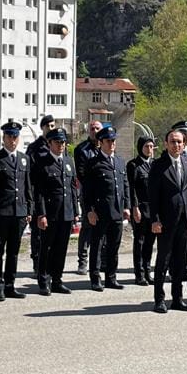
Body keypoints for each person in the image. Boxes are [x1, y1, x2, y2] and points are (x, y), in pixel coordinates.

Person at [148, 127, 187, 313]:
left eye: (179, 142)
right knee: (163, 260)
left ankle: (177, 299)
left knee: (180, 261)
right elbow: (153, 196)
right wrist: (155, 220)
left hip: (184, 220)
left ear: (184, 144)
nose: (176, 145)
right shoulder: (158, 165)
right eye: (173, 141)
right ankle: (159, 299)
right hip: (166, 221)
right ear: (166, 144)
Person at [0, 119, 33, 300]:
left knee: (14, 251)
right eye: (9, 136)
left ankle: (10, 284)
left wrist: (29, 209)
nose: (12, 140)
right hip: (1, 212)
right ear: (3, 138)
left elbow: (28, 186)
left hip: (19, 211)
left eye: (15, 137)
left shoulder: (24, 159)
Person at [31, 128, 79, 294]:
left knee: (61, 248)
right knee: (47, 248)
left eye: (63, 142)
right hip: (50, 213)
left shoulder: (68, 162)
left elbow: (73, 188)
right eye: (57, 142)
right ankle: (44, 280)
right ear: (50, 143)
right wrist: (41, 214)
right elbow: (39, 192)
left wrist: (75, 210)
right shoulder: (42, 162)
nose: (61, 145)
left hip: (66, 212)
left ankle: (57, 279)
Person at [82, 124, 130, 290]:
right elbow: (86, 191)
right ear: (101, 142)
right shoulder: (93, 163)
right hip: (101, 212)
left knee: (113, 246)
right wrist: (89, 211)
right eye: (108, 141)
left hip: (117, 211)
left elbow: (125, 185)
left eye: (113, 141)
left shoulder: (119, 161)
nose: (112, 144)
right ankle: (95, 278)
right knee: (96, 245)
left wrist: (127, 206)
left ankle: (111, 277)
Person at [26, 116, 57, 271]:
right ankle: (37, 263)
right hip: (37, 194)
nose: (51, 128)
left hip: (52, 197)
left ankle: (49, 264)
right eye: (48, 126)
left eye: (53, 125)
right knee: (37, 232)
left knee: (51, 233)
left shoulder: (57, 145)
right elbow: (29, 174)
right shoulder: (34, 148)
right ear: (43, 128)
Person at [73, 118, 103, 275]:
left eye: (98, 128)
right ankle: (82, 261)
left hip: (104, 195)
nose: (95, 131)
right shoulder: (81, 149)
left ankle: (100, 260)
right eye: (92, 128)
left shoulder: (106, 147)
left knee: (103, 227)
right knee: (87, 227)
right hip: (89, 194)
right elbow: (82, 174)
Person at [126, 135, 156, 285]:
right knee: (140, 241)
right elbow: (131, 189)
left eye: (151, 147)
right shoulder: (133, 165)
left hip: (153, 209)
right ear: (140, 147)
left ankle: (147, 270)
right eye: (146, 146)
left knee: (150, 242)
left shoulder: (155, 165)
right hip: (140, 208)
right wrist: (134, 207)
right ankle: (139, 274)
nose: (149, 150)